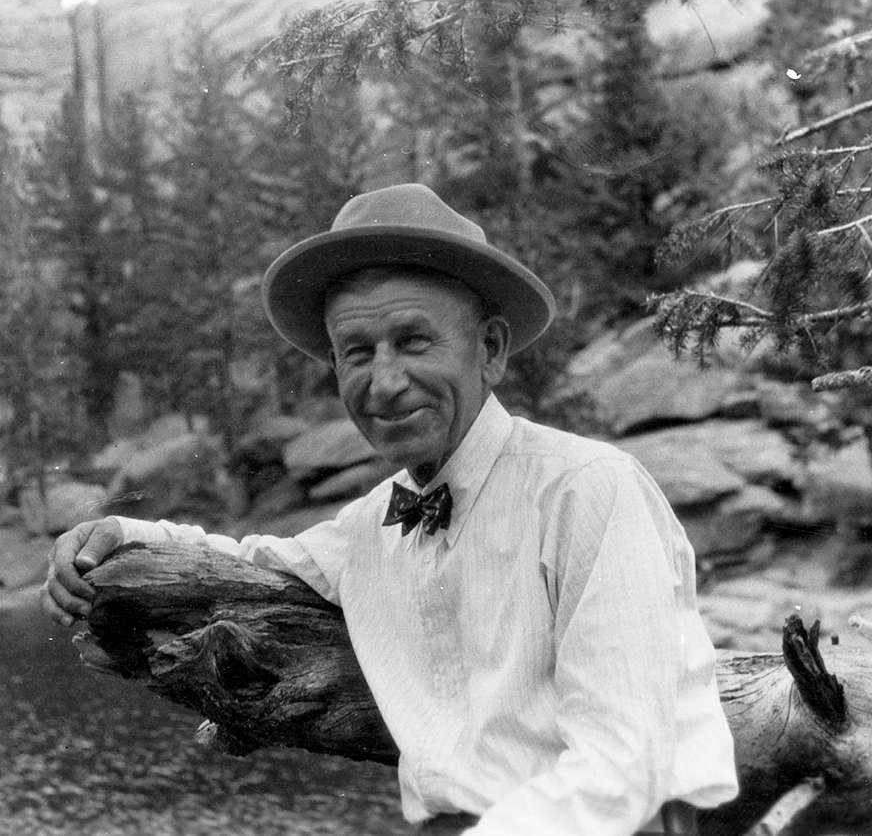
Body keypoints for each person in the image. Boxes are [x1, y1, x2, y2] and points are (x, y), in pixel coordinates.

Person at [41, 183, 738, 834]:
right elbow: (250, 563)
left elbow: (625, 764)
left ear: (489, 349)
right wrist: (119, 535)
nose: (386, 382)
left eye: (413, 340)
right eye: (356, 353)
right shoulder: (374, 524)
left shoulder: (589, 490)